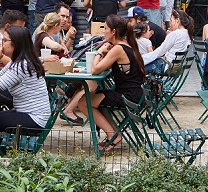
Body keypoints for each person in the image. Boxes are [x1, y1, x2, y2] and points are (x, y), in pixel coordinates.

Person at [60, 14, 145, 151]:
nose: (103, 31)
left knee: (83, 102)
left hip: (128, 96)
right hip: (134, 94)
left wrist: (99, 52)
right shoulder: (125, 46)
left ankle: (113, 134)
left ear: (113, 32)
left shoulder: (118, 49)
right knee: (94, 99)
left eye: (105, 28)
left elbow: (94, 70)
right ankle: (114, 133)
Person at [0, 25, 52, 149]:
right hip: (30, 113)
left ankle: (11, 152)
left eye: (5, 40)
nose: (1, 43)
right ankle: (11, 146)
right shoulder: (18, 61)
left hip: (34, 119)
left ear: (15, 44)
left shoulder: (22, 65)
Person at [142, 9, 194, 74]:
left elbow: (160, 52)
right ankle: (155, 83)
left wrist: (143, 59)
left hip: (168, 66)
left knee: (138, 68)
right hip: (176, 67)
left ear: (177, 20)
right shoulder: (187, 33)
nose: (170, 24)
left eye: (171, 21)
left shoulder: (175, 34)